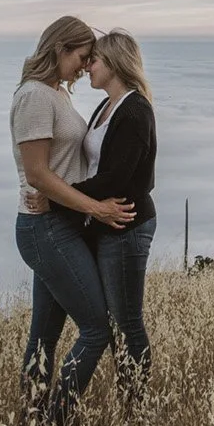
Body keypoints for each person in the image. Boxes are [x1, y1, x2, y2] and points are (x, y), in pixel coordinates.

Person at [11, 16, 133, 425]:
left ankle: (33, 425)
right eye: (82, 57)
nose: (85, 66)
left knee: (43, 337)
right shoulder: (34, 96)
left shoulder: (56, 93)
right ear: (61, 48)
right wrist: (96, 208)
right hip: (45, 228)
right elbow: (37, 174)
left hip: (60, 225)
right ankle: (55, 423)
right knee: (97, 329)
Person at [25, 28, 159, 403]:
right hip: (104, 223)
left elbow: (115, 178)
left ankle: (135, 405)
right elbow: (96, 169)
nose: (88, 67)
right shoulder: (106, 106)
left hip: (126, 224)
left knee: (126, 322)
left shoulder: (134, 110)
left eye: (94, 60)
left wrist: (56, 200)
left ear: (114, 63)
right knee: (114, 322)